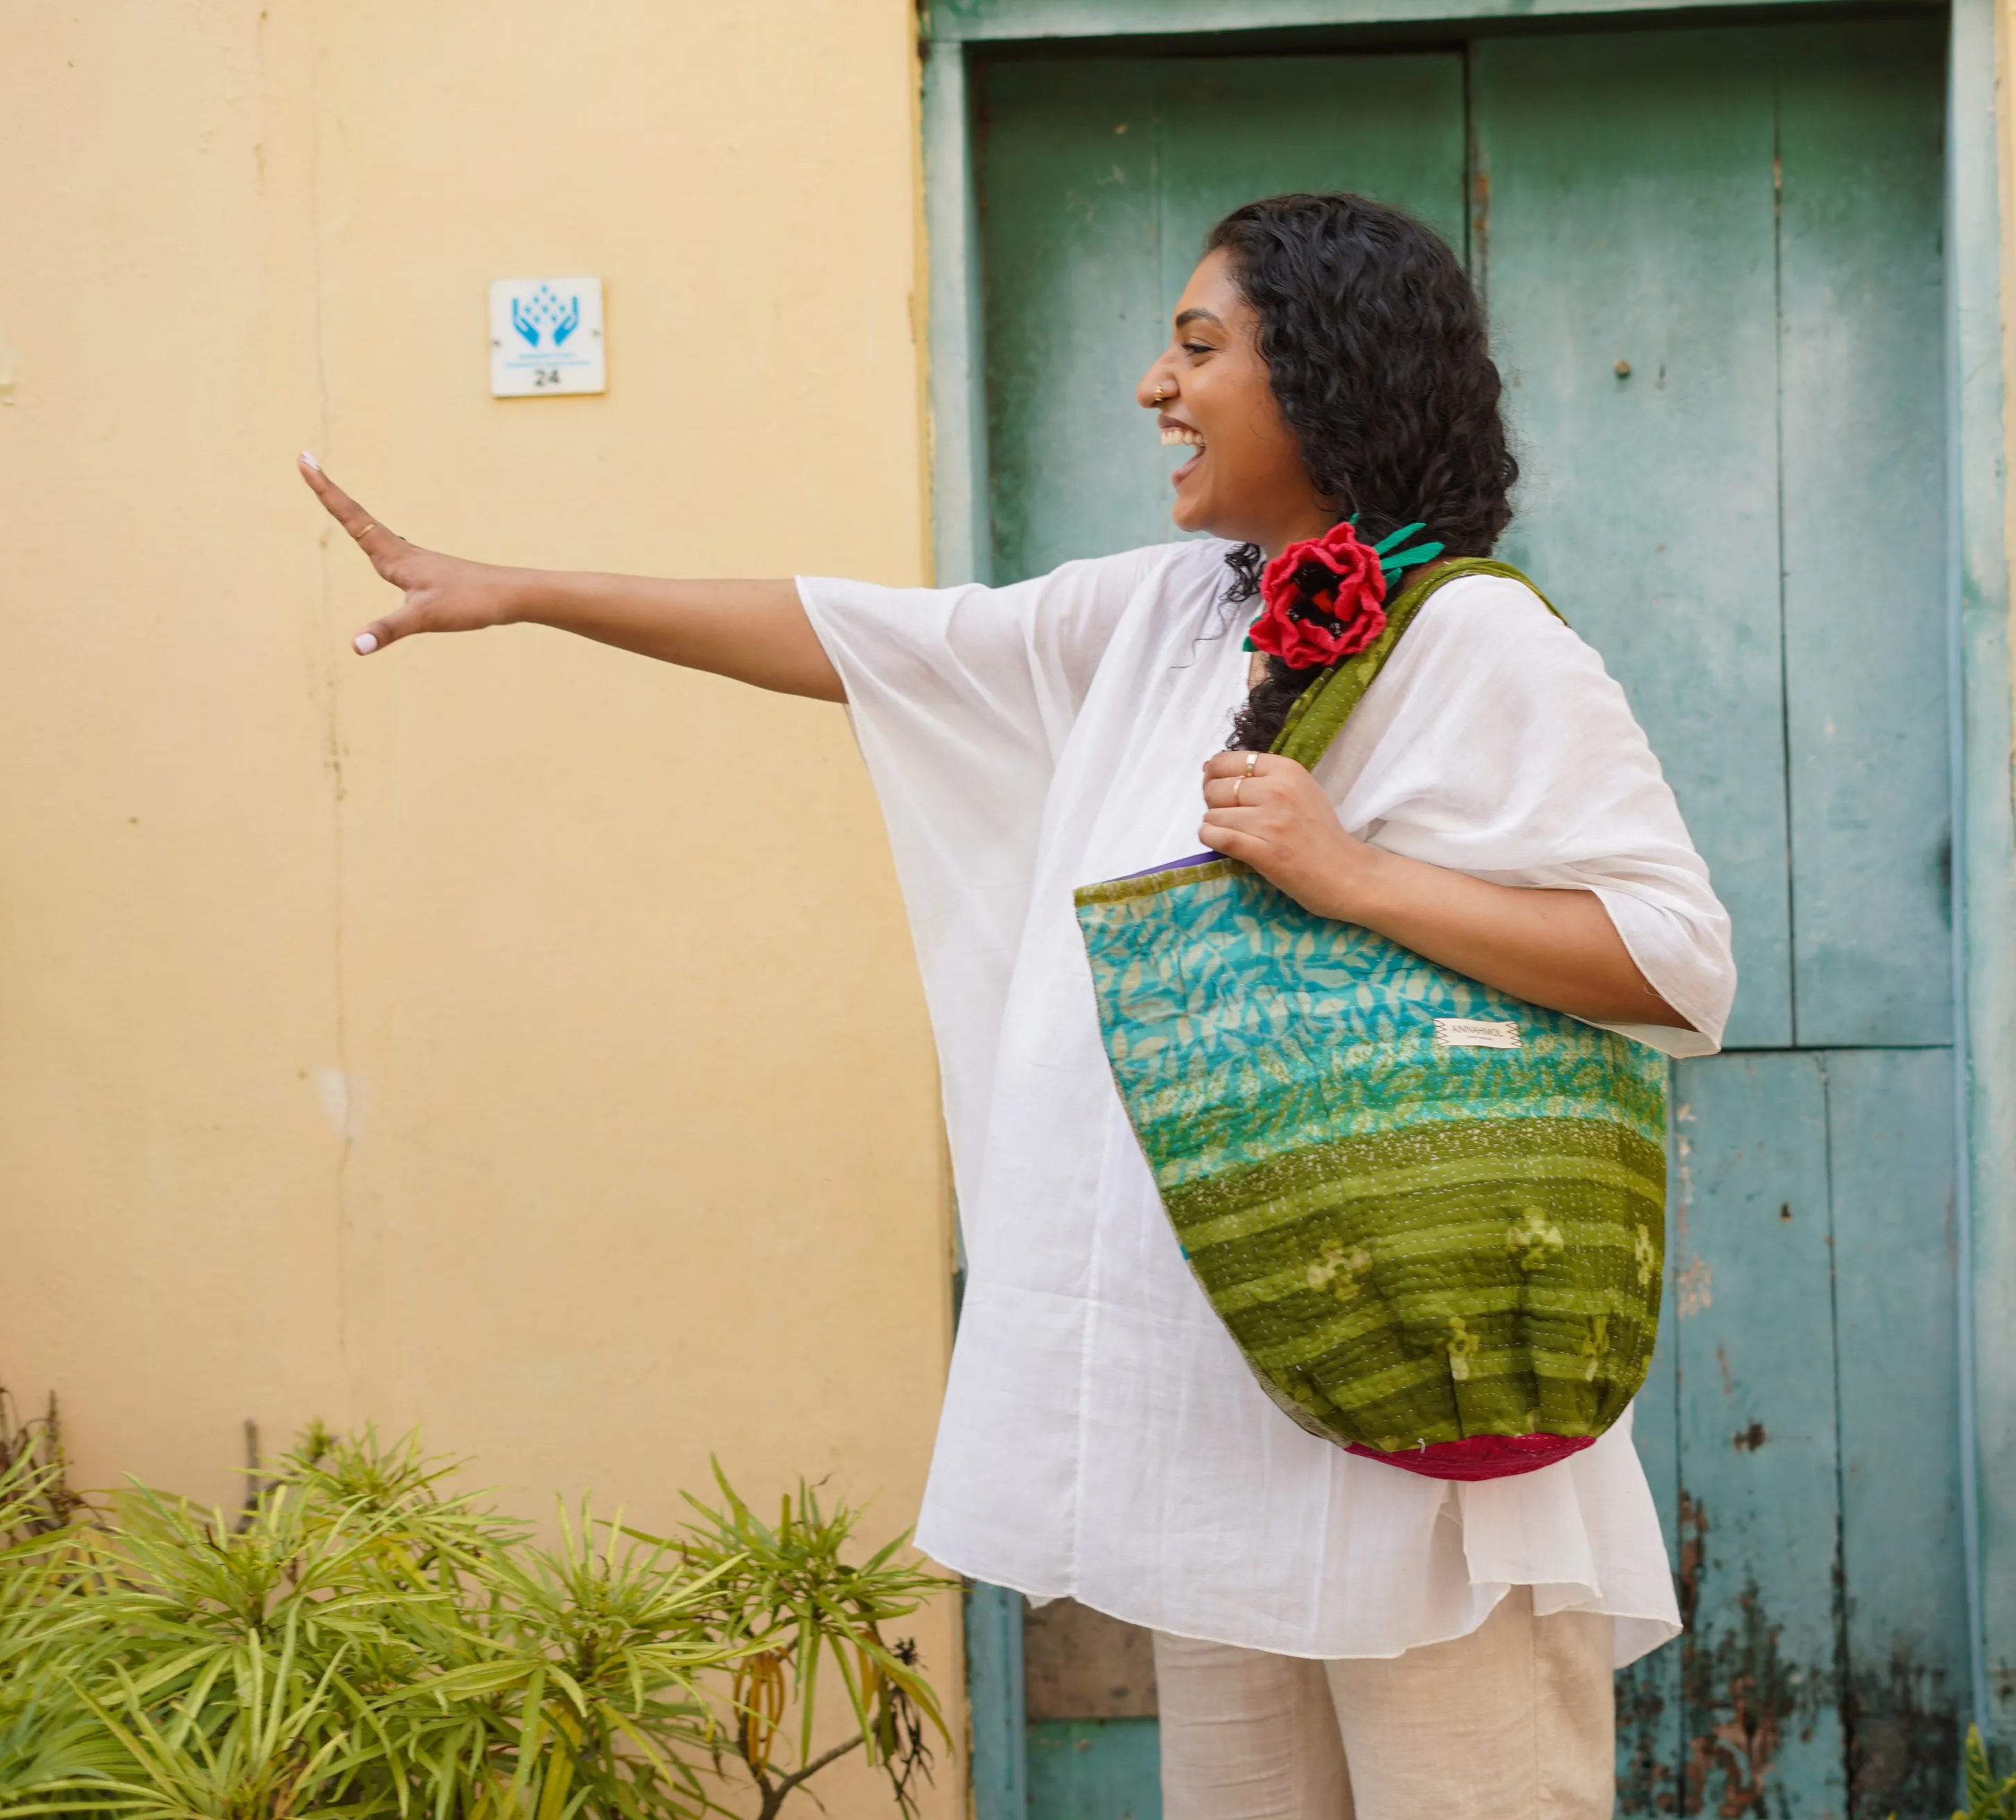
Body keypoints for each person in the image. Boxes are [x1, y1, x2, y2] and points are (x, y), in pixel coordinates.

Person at [300, 191, 1734, 1820]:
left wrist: (1350, 874)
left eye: (1198, 347)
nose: (1155, 385)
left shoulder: (1476, 633)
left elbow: (1673, 958)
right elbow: (859, 635)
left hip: (1414, 1406)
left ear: (1325, 373)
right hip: (1230, 1410)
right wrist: (523, 589)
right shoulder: (1164, 611)